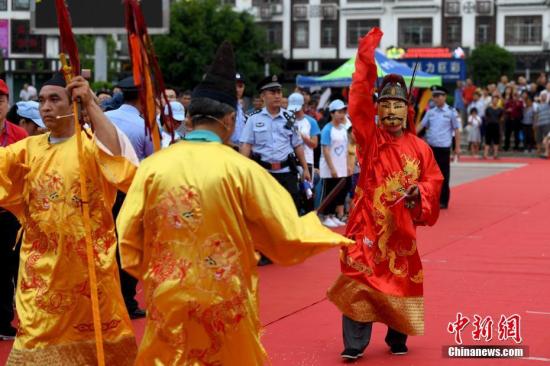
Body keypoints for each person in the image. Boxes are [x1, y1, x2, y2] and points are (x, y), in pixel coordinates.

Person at [116, 41, 353, 366]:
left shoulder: (153, 167)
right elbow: (286, 235)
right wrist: (335, 235)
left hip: (168, 293)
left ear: (189, 121)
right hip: (224, 297)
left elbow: (127, 234)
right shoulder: (241, 170)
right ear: (229, 120)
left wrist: (152, 272)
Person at [0, 72, 138, 363]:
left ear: (72, 104)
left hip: (89, 272)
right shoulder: (27, 149)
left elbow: (119, 157)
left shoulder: (91, 145)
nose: (46, 107)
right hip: (41, 276)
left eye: (54, 99)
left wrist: (89, 101)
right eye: (41, 100)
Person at [327, 28, 443, 361]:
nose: (391, 111)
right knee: (359, 278)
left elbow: (434, 182)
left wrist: (416, 193)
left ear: (408, 109)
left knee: (401, 280)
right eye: (386, 105)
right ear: (378, 111)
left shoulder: (421, 148)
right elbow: (360, 97)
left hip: (401, 231)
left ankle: (397, 336)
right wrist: (366, 58)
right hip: (366, 225)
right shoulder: (370, 139)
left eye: (398, 105)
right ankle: (355, 343)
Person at [105, 76, 152, 319]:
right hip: (130, 193)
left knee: (104, 246)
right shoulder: (144, 126)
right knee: (129, 247)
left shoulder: (105, 119)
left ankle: (105, 300)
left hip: (103, 193)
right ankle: (126, 300)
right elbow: (153, 162)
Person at [239, 75, 311, 210]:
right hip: (263, 173)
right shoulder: (253, 119)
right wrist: (243, 171)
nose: (277, 96)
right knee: (265, 210)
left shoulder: (289, 118)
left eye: (279, 92)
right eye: (272, 92)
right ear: (263, 96)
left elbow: (297, 145)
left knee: (292, 209)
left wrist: (305, 169)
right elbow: (246, 146)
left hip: (287, 172)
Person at [0, 79, 28, 341]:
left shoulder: (20, 137)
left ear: (8, 104)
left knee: (8, 267)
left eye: (0, 100)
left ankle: (4, 319)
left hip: (10, 215)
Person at [419, 86, 460, 209]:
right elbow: (421, 126)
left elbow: (457, 129)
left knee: (443, 176)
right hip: (431, 149)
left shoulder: (451, 112)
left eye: (438, 96)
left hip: (444, 148)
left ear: (444, 97)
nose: (435, 99)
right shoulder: (431, 112)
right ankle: (432, 198)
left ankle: (443, 200)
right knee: (430, 176)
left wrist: (457, 147)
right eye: (434, 96)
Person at [287, 92, 320, 213]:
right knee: (294, 191)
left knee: (308, 191)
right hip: (291, 161)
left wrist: (301, 136)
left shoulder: (311, 122)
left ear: (302, 106)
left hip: (307, 160)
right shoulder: (288, 120)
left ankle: (309, 216)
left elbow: (314, 144)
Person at [319, 99, 351, 227]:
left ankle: (333, 215)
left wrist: (348, 165)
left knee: (339, 191)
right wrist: (332, 168)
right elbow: (326, 150)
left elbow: (347, 148)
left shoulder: (344, 129)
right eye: (339, 112)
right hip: (329, 167)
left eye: (343, 111)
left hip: (341, 166)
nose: (342, 114)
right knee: (329, 191)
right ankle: (325, 215)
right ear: (332, 113)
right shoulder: (327, 129)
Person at [229, 72, 247, 149]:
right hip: (228, 149)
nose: (237, 89)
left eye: (240, 86)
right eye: (234, 86)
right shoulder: (223, 106)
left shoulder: (240, 107)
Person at [483, 95, 504, 159]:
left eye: (496, 100)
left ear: (498, 101)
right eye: (493, 99)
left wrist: (499, 122)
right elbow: (486, 116)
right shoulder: (488, 108)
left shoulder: (500, 109)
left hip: (496, 125)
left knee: (496, 140)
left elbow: (501, 118)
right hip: (489, 125)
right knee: (487, 140)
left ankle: (495, 155)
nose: (495, 101)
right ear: (491, 100)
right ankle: (485, 154)